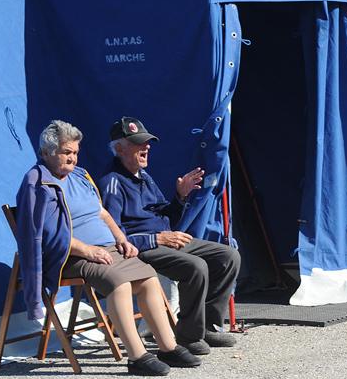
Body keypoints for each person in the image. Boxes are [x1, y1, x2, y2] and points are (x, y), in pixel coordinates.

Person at [15, 120, 201, 376]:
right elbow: (46, 233)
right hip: (70, 255)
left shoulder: (80, 176)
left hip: (106, 248)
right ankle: (136, 356)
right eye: (66, 152)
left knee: (147, 278)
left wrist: (121, 239)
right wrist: (88, 250)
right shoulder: (37, 183)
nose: (72, 158)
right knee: (120, 283)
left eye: (75, 152)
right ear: (46, 152)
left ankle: (168, 347)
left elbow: (102, 213)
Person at [99, 116, 241, 356]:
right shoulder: (112, 182)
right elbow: (115, 237)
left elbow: (166, 219)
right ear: (120, 148)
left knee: (228, 256)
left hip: (163, 240)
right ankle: (187, 336)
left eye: (147, 142)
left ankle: (207, 325)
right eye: (139, 143)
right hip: (141, 249)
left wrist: (179, 197)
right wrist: (157, 239)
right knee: (195, 267)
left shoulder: (144, 177)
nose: (146, 147)